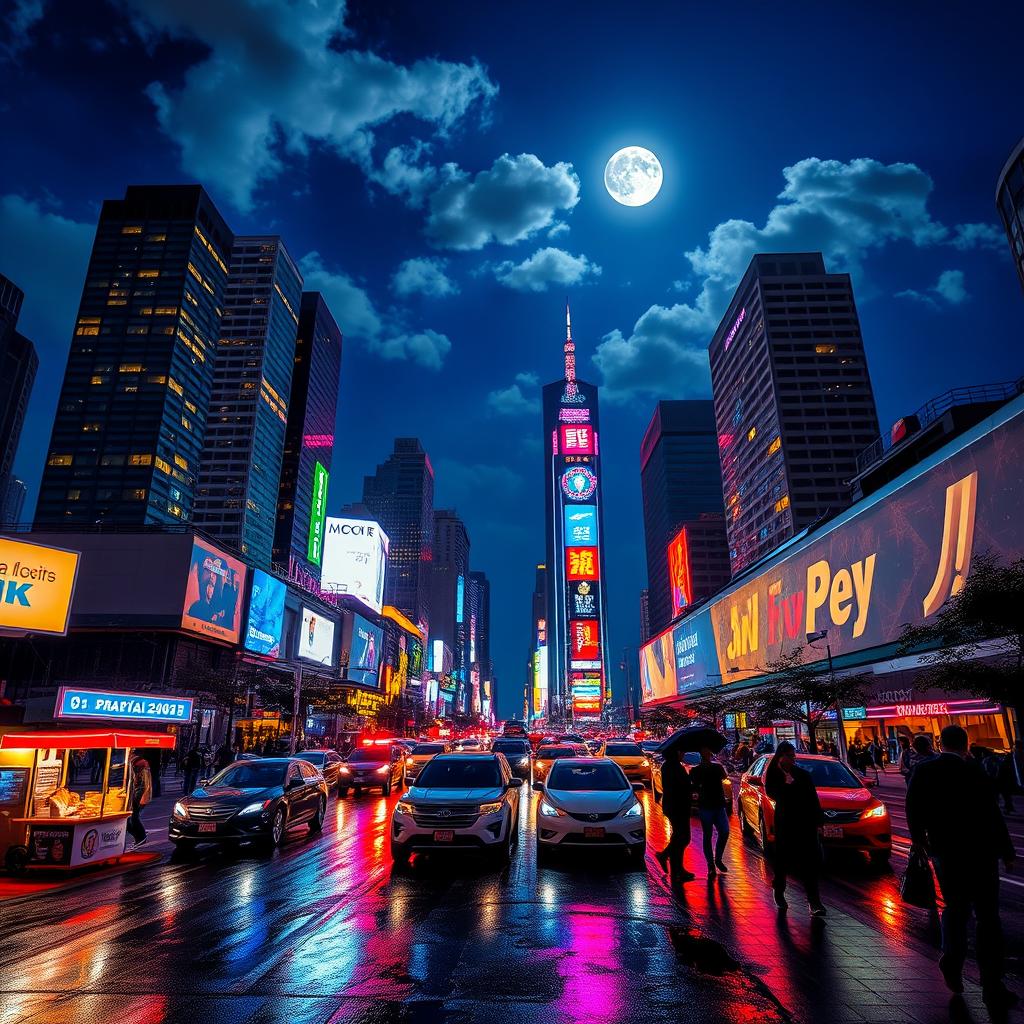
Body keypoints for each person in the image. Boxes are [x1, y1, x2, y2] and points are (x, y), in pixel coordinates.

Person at [906, 724, 1017, 1009]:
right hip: (982, 853)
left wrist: (919, 840)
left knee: (956, 908)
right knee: (988, 918)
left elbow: (913, 808)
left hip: (947, 852)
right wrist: (1006, 851)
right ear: (966, 744)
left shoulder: (926, 771)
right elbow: (992, 813)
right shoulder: (975, 770)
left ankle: (952, 959)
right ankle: (992, 985)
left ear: (941, 744)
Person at [764, 741, 826, 916]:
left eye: (793, 756)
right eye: (789, 756)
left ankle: (814, 902)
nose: (792, 759)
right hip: (786, 824)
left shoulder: (803, 775)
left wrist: (819, 822)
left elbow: (813, 799)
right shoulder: (774, 776)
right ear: (781, 756)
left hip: (805, 824)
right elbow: (774, 795)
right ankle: (779, 889)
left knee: (809, 863)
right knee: (783, 860)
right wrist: (786, 783)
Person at [689, 746, 730, 877]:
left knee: (724, 831)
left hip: (718, 805)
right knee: (708, 835)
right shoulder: (696, 771)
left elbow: (724, 776)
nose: (707, 753)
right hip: (706, 806)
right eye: (704, 751)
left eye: (708, 751)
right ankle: (711, 864)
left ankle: (717, 858)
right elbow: (694, 786)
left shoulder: (717, 767)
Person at [654, 749, 695, 883]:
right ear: (676, 753)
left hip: (675, 806)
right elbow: (680, 786)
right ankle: (666, 857)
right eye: (681, 751)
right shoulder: (673, 767)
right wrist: (690, 779)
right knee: (682, 837)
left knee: (679, 837)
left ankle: (677, 868)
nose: (683, 753)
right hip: (677, 806)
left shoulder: (670, 766)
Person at [126, 754, 153, 847]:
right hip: (135, 795)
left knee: (133, 818)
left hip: (138, 796)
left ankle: (141, 837)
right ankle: (139, 837)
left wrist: (137, 799)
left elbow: (143, 785)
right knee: (131, 818)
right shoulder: (134, 761)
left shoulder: (139, 763)